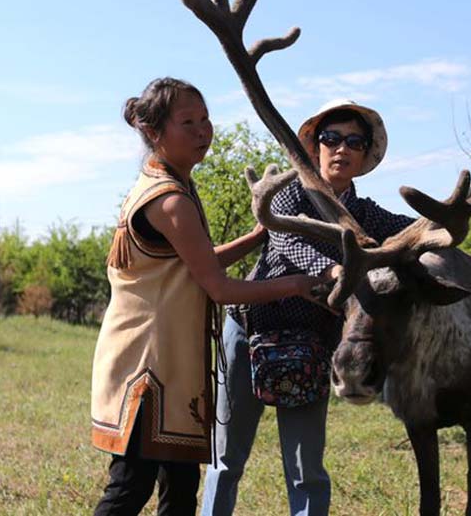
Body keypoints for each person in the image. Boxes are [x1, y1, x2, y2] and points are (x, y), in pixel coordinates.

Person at [90, 77, 321, 516]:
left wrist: (257, 236)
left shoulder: (166, 184)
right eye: (188, 122)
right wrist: (295, 284)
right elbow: (218, 286)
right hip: (150, 372)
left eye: (205, 119)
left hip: (166, 370)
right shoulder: (170, 200)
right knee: (130, 488)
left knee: (179, 488)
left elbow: (195, 261)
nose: (203, 131)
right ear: (155, 133)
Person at [200, 99, 415, 516]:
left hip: (312, 346)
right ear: (315, 147)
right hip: (249, 332)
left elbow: (415, 231)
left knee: (306, 469)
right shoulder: (288, 193)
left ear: (365, 154)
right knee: (226, 459)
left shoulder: (366, 214)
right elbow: (285, 241)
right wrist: (332, 271)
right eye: (330, 138)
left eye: (354, 141)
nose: (341, 148)